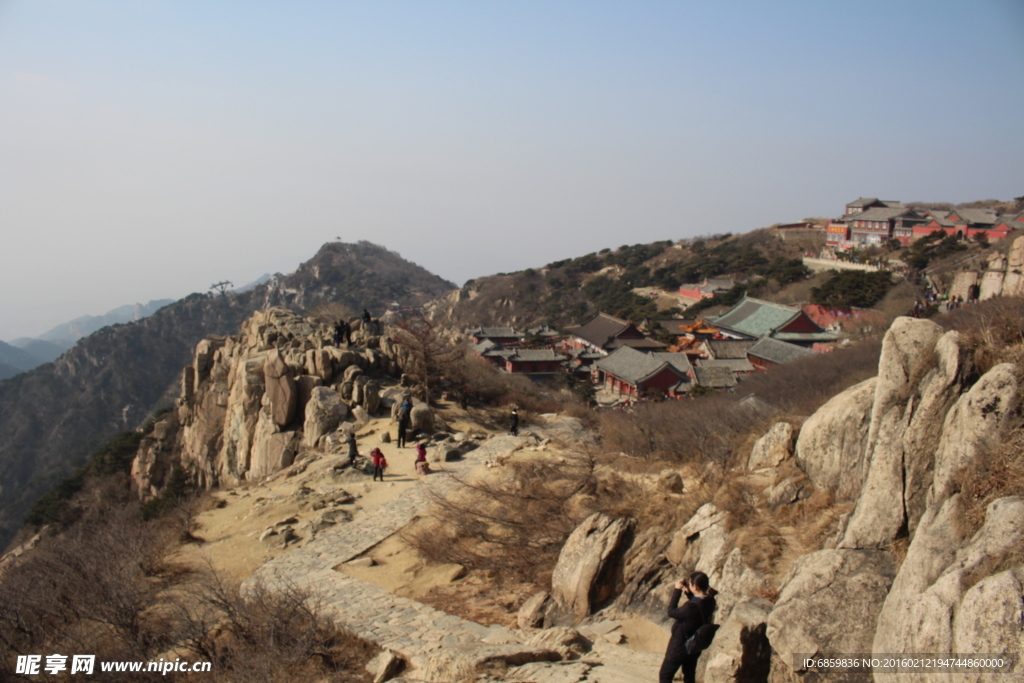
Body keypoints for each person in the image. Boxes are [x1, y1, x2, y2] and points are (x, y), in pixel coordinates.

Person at [659, 571, 717, 683]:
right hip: (694, 646)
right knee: (689, 676)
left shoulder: (691, 607)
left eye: (690, 584)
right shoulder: (710, 600)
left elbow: (671, 611)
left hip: (679, 647)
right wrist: (689, 594)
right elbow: (698, 605)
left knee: (665, 675)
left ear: (695, 587)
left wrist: (677, 590)